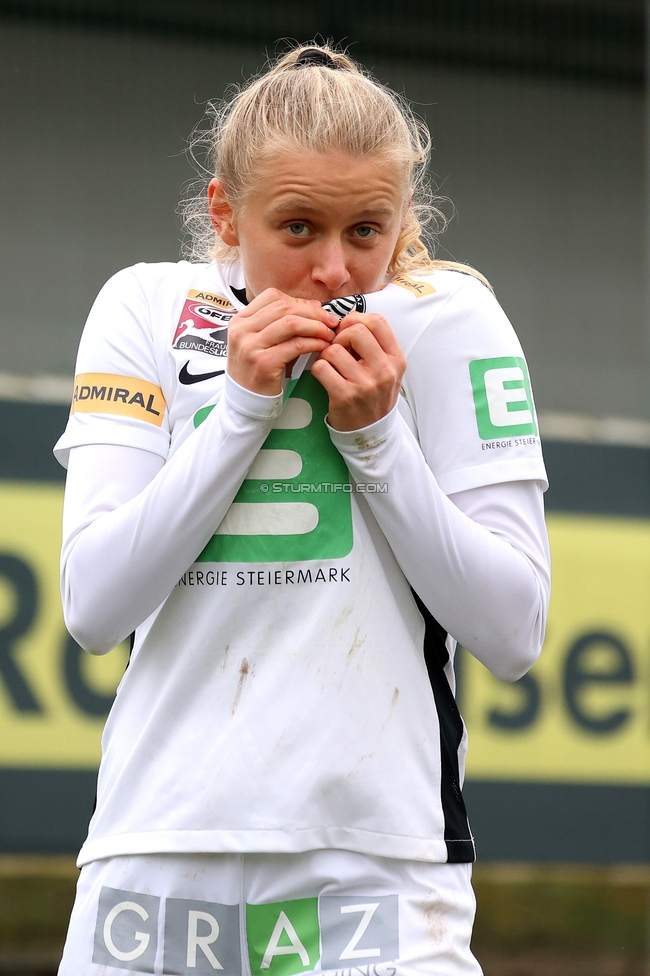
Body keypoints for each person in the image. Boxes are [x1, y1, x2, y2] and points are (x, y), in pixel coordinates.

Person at [55, 43, 550, 976]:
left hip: (381, 870)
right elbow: (92, 605)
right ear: (223, 212)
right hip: (154, 859)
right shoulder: (142, 307)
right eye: (297, 227)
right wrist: (241, 407)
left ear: (404, 220)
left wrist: (378, 440)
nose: (334, 267)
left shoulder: (454, 320)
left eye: (368, 230)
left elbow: (514, 630)